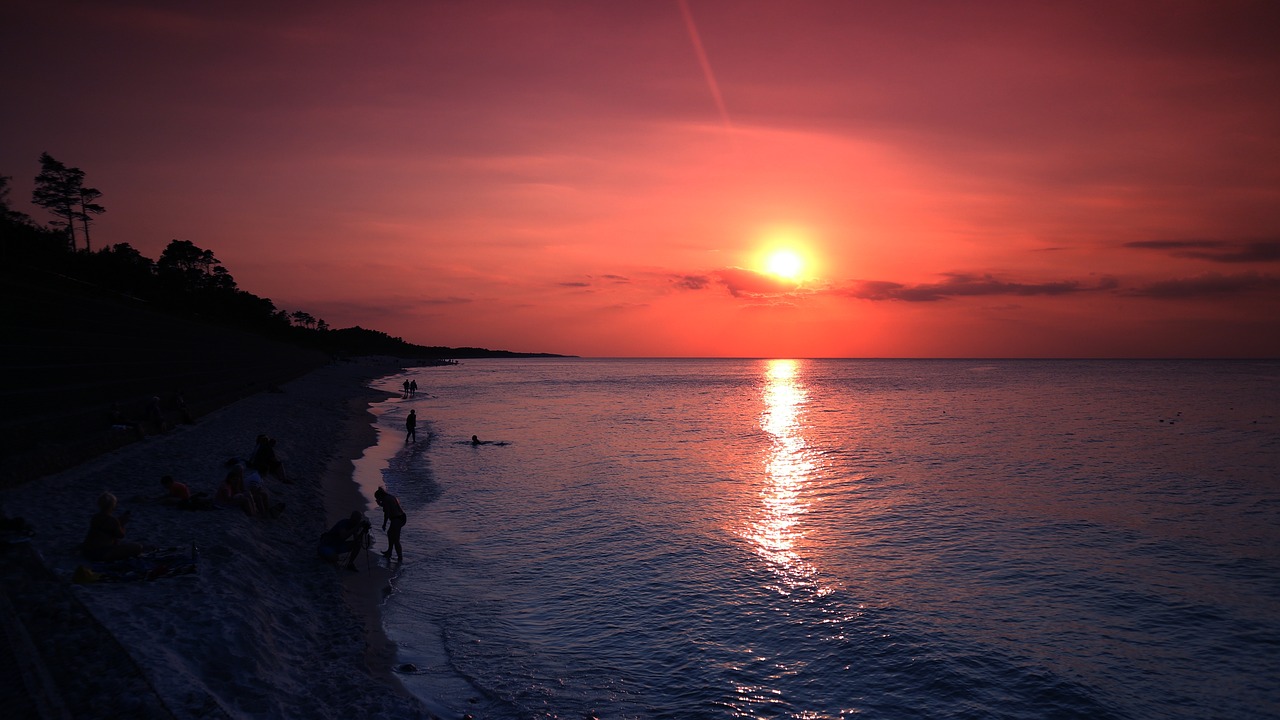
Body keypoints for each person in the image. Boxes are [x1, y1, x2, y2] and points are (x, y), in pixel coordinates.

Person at [82, 491, 144, 561]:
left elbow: (106, 529)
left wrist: (118, 522)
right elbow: (120, 535)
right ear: (112, 506)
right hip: (105, 552)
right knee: (138, 547)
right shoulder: (112, 520)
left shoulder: (95, 517)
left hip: (91, 551)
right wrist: (122, 524)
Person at [374, 487, 406, 561]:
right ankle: (389, 552)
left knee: (396, 539)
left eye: (378, 498)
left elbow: (387, 513)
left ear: (380, 496)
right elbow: (389, 506)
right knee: (390, 533)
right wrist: (380, 504)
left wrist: (384, 524)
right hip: (400, 517)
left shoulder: (386, 500)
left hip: (397, 518)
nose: (379, 500)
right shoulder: (389, 497)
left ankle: (400, 557)